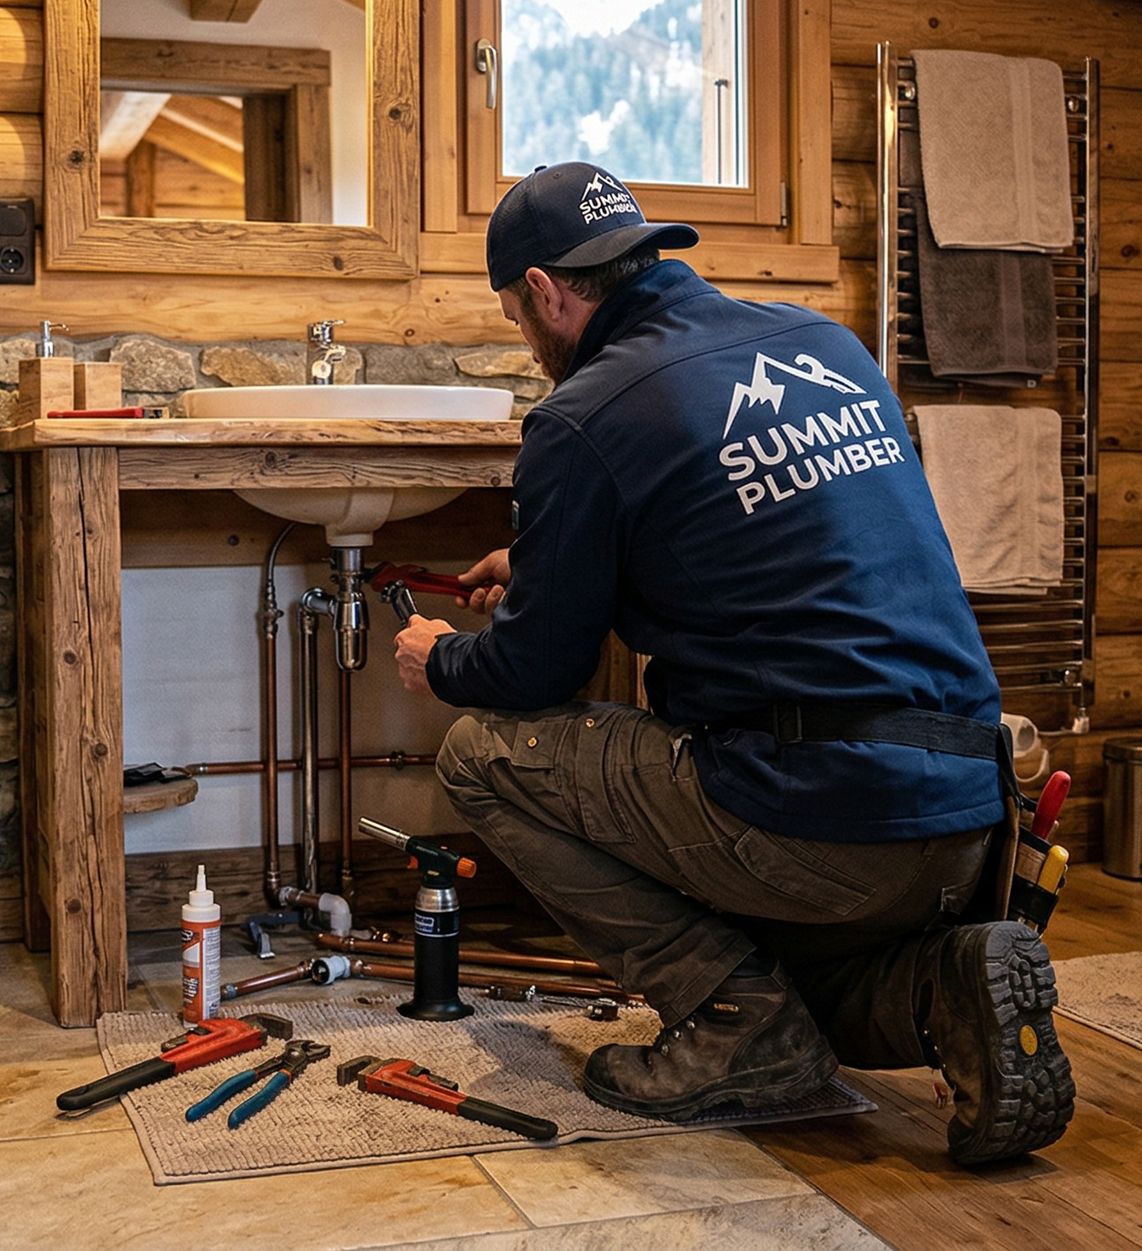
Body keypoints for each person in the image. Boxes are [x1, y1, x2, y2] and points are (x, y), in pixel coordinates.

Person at [392, 162, 1074, 1164]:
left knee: (478, 754)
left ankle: (733, 1024)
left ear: (542, 289)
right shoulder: (823, 343)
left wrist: (444, 659)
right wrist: (549, 565)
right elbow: (775, 559)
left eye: (514, 315)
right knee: (802, 977)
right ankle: (949, 979)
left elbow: (537, 672)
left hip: (824, 821)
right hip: (971, 811)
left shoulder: (581, 414)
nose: (525, 339)